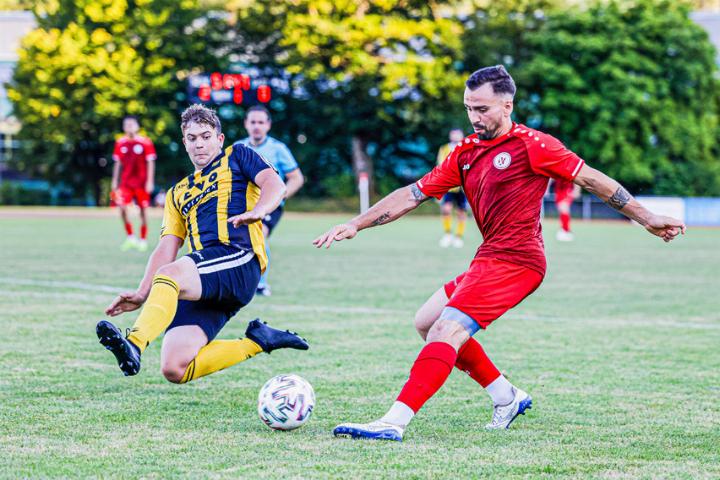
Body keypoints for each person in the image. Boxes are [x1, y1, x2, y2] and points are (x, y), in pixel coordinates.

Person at [313, 65, 685, 442]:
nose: (474, 118)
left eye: (483, 109)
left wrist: (646, 217)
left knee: (446, 329)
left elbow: (593, 180)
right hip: (488, 257)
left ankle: (393, 421)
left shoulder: (534, 145)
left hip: (518, 261)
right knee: (426, 322)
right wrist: (356, 224)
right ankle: (506, 396)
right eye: (469, 108)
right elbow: (413, 194)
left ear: (507, 105)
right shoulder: (465, 152)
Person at [96, 104, 308, 384]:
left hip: (239, 259)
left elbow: (275, 184)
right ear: (184, 143)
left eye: (206, 136)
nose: (199, 144)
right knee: (175, 367)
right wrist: (141, 292)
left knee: (171, 274)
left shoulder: (238, 156)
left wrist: (260, 209)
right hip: (207, 279)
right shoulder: (177, 193)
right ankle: (258, 341)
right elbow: (166, 247)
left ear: (219, 139)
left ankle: (134, 343)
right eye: (192, 138)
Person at [235, 105, 304, 296]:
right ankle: (241, 279)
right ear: (246, 124)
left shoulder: (278, 149)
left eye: (261, 122)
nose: (257, 126)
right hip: (246, 205)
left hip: (270, 205)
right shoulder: (238, 148)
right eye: (253, 122)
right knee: (239, 241)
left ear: (268, 125)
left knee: (260, 235)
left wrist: (280, 195)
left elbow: (297, 178)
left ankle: (261, 283)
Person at [111, 115, 157, 252]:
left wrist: (150, 181)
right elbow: (118, 163)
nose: (129, 126)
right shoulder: (120, 143)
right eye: (126, 124)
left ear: (137, 126)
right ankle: (130, 237)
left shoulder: (146, 142)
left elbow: (151, 162)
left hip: (142, 183)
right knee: (122, 207)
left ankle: (143, 239)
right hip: (125, 183)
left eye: (132, 124)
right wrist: (114, 181)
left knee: (143, 211)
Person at [437, 128, 468, 248]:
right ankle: (448, 234)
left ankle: (459, 237)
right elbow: (441, 165)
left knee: (461, 211)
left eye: (458, 134)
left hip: (463, 187)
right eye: (454, 134)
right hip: (449, 186)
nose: (456, 136)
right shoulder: (444, 148)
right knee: (446, 209)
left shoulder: (466, 147)